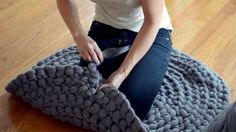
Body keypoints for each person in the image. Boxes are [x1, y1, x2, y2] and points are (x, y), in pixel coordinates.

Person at [57, 0, 173, 120]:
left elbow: (152, 22)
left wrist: (122, 73)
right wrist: (79, 35)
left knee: (128, 109)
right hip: (105, 28)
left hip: (151, 31)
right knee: (83, 98)